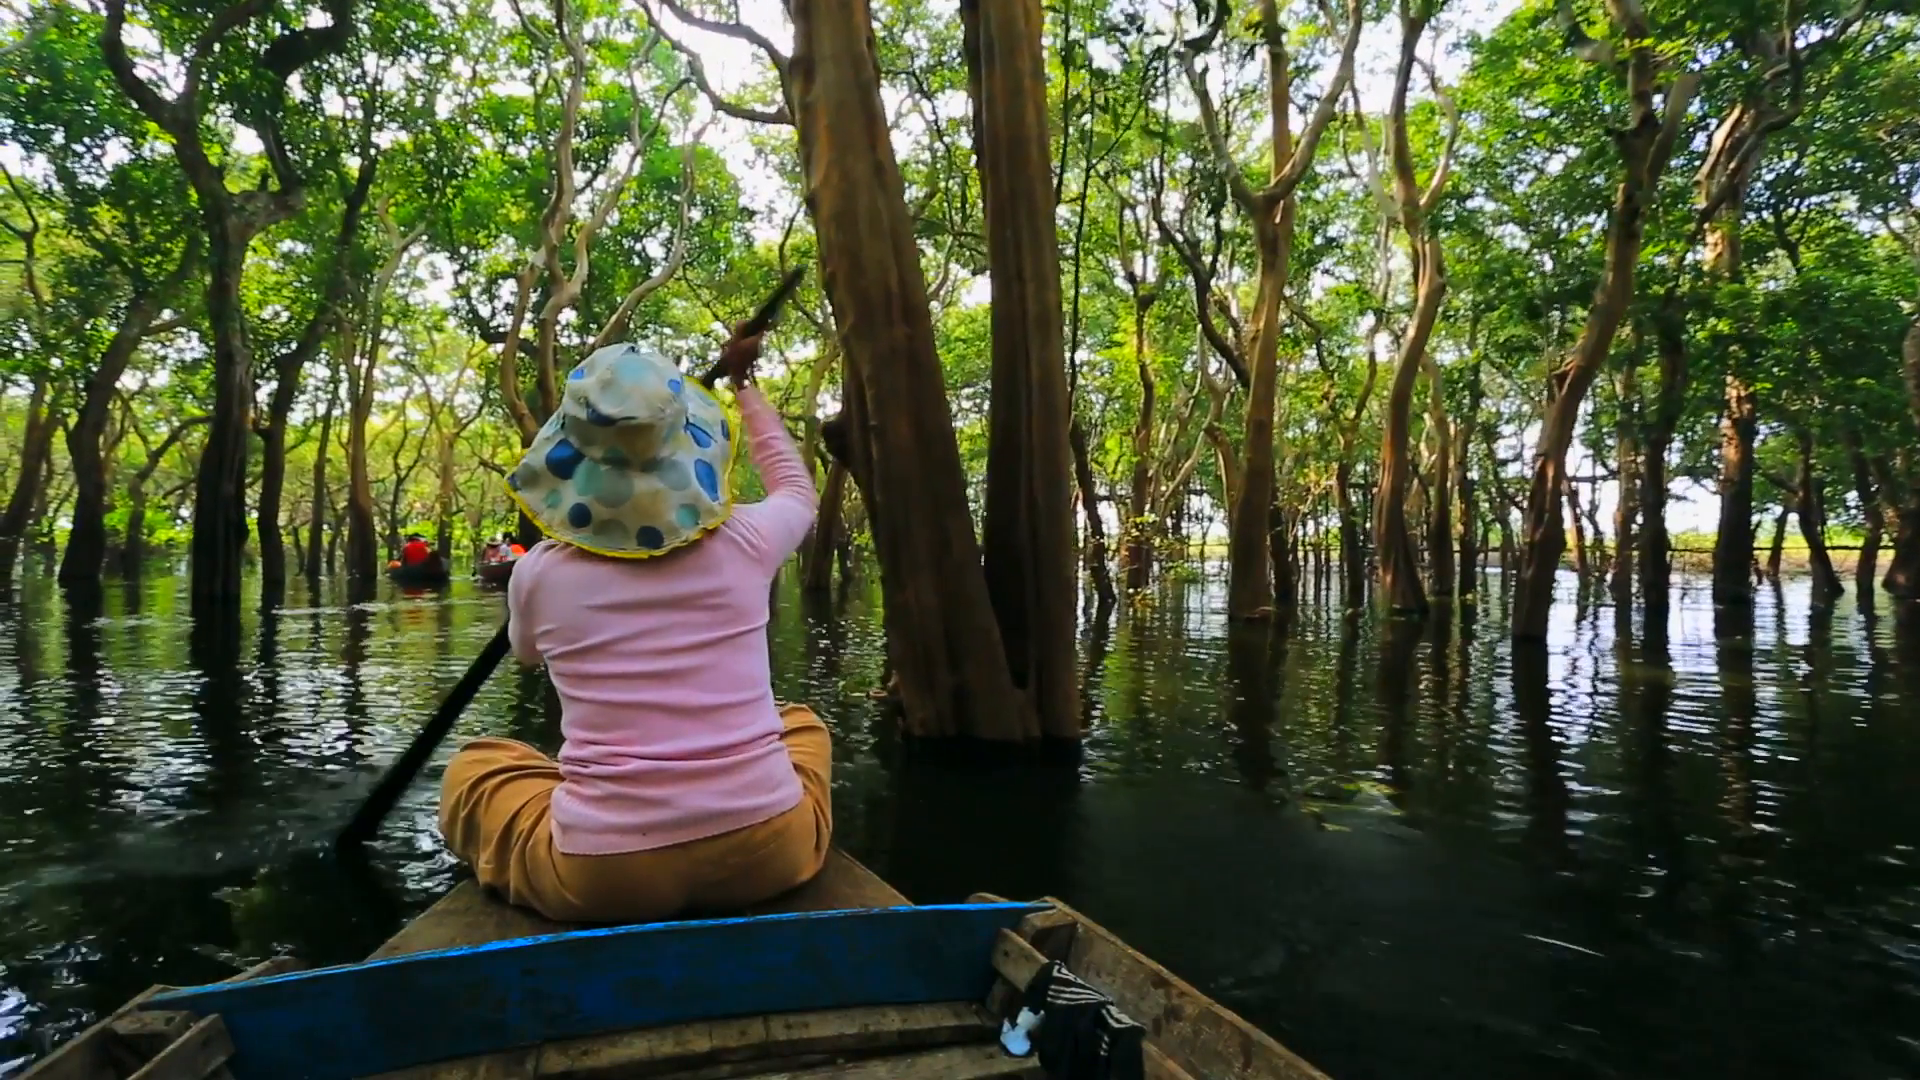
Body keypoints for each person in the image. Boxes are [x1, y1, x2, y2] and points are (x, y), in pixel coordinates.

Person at [437, 330, 827, 923]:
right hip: (768, 851)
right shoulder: (749, 540)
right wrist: (745, 386)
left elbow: (525, 655)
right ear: (686, 447)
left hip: (607, 877)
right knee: (803, 726)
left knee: (478, 765)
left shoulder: (538, 575)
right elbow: (797, 490)